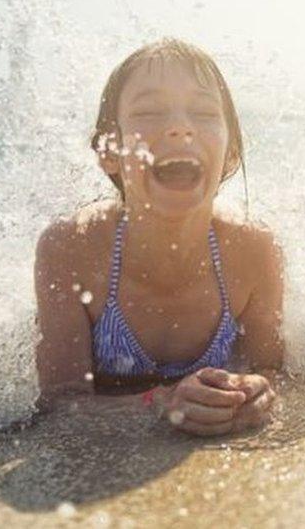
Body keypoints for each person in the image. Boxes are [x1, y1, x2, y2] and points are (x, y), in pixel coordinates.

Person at [34, 38, 283, 436]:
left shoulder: (253, 251)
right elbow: (60, 403)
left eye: (203, 112)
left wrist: (258, 394)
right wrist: (160, 402)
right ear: (108, 151)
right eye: (148, 111)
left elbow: (272, 370)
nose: (180, 127)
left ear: (231, 152)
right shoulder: (71, 248)